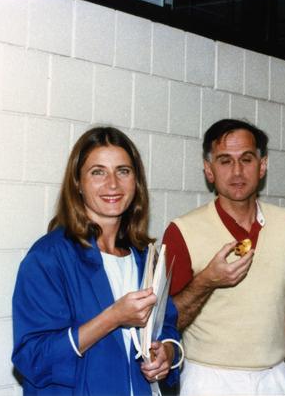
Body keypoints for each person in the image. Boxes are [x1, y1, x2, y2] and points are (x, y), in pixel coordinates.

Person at [12, 126, 180, 395]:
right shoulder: (48, 258)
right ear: (77, 183)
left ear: (135, 181)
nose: (112, 184)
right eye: (98, 172)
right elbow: (33, 358)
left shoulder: (144, 256)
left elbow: (167, 324)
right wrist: (112, 318)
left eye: (123, 171)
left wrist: (168, 354)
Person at [162, 119, 285, 395]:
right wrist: (207, 281)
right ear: (209, 170)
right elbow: (167, 321)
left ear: (263, 165)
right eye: (224, 161)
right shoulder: (181, 231)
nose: (237, 171)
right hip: (208, 379)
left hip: (274, 378)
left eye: (246, 159)